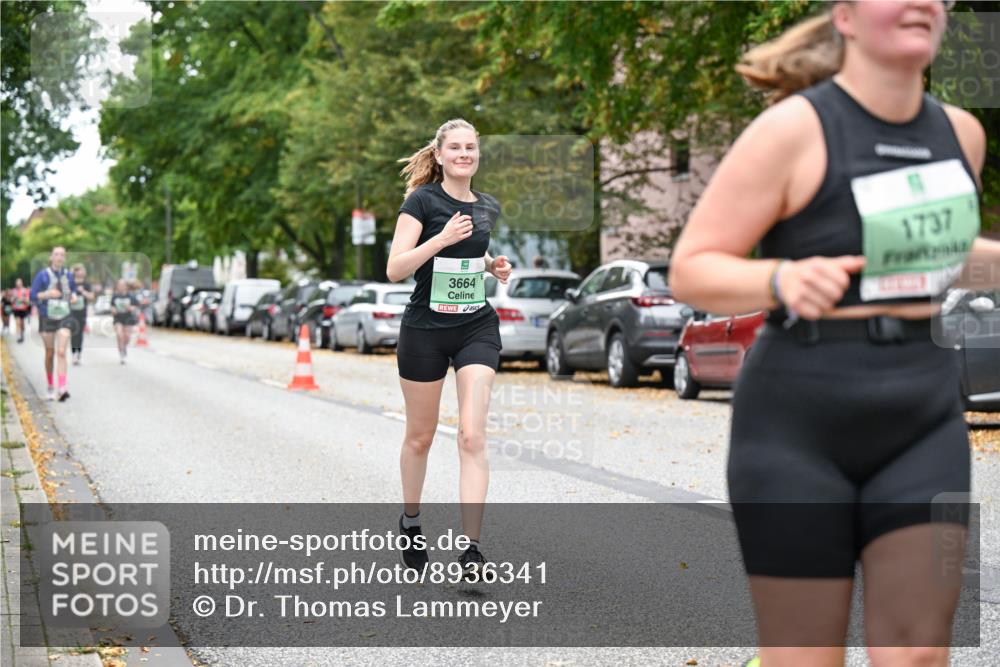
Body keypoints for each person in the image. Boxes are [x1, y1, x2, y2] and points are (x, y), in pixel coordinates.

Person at [669, 2, 1000, 666]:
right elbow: (691, 268)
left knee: (917, 654)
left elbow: (940, 253)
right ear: (845, 17)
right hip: (799, 421)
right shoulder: (793, 129)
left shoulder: (961, 134)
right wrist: (781, 279)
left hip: (923, 416)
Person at [386, 118, 512, 578]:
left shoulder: (488, 206)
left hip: (476, 327)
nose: (464, 154)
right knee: (420, 436)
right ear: (439, 156)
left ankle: (472, 551)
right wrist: (439, 239)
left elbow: (470, 253)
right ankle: (411, 521)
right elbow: (395, 268)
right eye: (455, 147)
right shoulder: (421, 201)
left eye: (471, 147)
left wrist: (491, 265)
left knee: (472, 436)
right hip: (425, 330)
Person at [30, 247, 79, 401]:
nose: (59, 257)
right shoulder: (43, 275)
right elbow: (33, 295)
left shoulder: (68, 275)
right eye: (56, 254)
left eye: (62, 255)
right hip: (47, 316)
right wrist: (47, 294)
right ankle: (50, 384)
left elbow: (74, 291)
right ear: (51, 257)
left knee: (62, 351)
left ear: (65, 258)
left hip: (64, 316)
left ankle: (62, 388)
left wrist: (74, 297)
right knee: (50, 353)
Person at [69, 264, 95, 365]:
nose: (82, 272)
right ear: (75, 272)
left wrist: (83, 291)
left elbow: (91, 297)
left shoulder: (87, 284)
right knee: (73, 333)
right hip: (71, 312)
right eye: (79, 270)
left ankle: (78, 353)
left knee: (79, 334)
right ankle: (73, 353)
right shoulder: (71, 283)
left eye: (83, 270)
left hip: (82, 312)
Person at [110, 279, 138, 364]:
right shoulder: (115, 296)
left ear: (126, 286)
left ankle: (124, 347)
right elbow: (112, 306)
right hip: (118, 318)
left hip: (128, 318)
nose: (121, 287)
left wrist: (130, 308)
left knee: (127, 336)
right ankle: (121, 354)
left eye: (122, 285)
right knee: (119, 335)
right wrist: (113, 310)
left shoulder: (131, 296)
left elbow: (135, 306)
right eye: (119, 285)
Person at [10, 278, 31, 343]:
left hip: (23, 309)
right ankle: (19, 336)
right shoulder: (13, 291)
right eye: (17, 283)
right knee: (17, 322)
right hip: (16, 309)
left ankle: (22, 334)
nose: (18, 284)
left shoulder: (25, 290)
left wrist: (22, 299)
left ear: (22, 283)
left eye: (19, 283)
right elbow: (11, 300)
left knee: (22, 323)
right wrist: (14, 298)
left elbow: (28, 300)